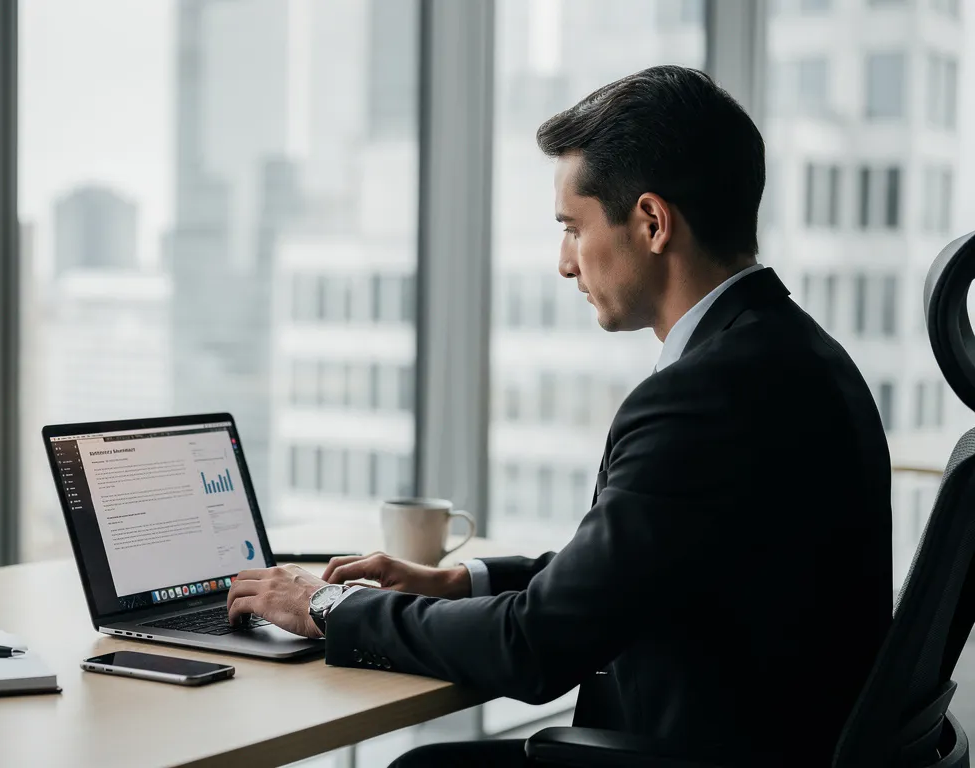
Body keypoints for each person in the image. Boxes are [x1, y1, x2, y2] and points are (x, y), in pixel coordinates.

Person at [225, 65, 892, 767]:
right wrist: (457, 580)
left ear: (653, 222)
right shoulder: (799, 355)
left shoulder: (706, 397)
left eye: (573, 228)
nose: (564, 263)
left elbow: (537, 647)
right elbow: (636, 570)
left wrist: (327, 608)